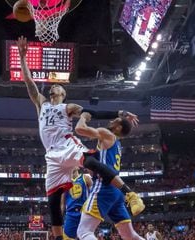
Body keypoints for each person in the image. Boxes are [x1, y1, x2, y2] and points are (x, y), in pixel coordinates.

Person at [17, 36, 144, 239]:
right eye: (51, 87)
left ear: (63, 93)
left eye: (57, 87)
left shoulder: (68, 107)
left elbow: (92, 112)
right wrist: (23, 59)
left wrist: (119, 113)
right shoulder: (41, 103)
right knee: (52, 200)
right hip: (51, 155)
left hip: (66, 144)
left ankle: (129, 192)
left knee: (91, 162)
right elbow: (29, 82)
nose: (52, 88)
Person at [75, 112, 145, 240]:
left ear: (118, 128)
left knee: (84, 232)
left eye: (115, 121)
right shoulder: (116, 143)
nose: (111, 120)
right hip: (117, 191)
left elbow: (80, 129)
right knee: (129, 235)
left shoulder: (107, 134)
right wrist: (124, 118)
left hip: (104, 187)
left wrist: (83, 117)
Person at [61, 168, 92, 239]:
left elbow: (94, 195)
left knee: (86, 236)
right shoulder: (65, 182)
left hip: (84, 213)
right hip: (70, 214)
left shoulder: (85, 178)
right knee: (66, 237)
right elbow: (62, 203)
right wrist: (60, 217)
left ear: (78, 166)